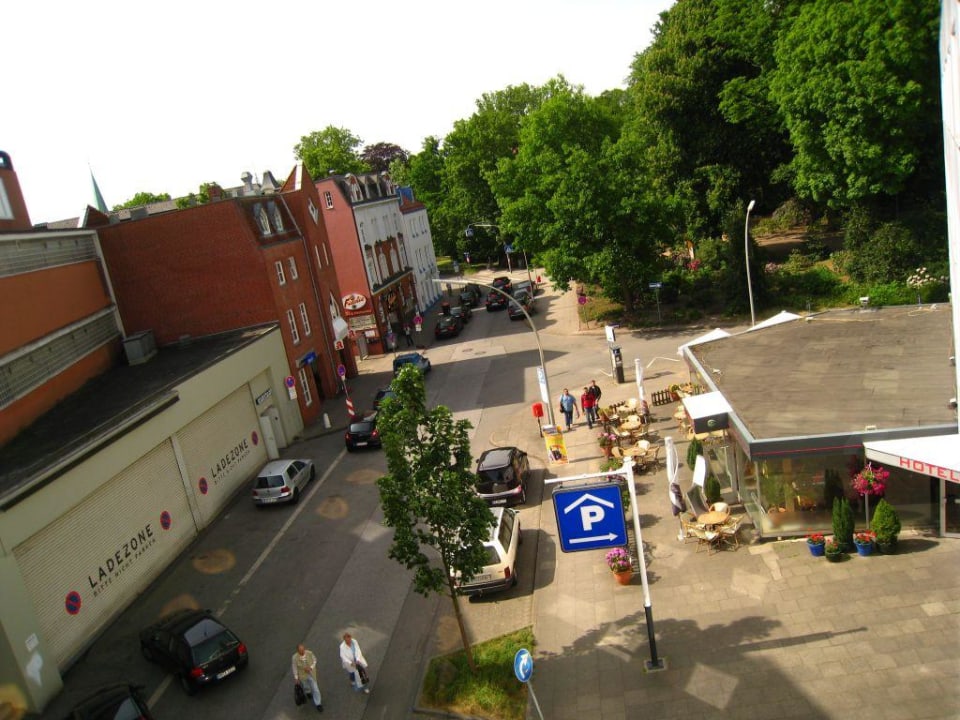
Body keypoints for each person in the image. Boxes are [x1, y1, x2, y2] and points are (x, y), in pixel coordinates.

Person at [292, 643, 324, 712]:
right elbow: (294, 667)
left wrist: (311, 668)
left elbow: (315, 660)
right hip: (303, 675)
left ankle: (318, 703)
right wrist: (296, 677)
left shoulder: (309, 653)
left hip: (311, 674)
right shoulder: (294, 658)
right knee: (306, 685)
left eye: (303, 649)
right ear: (298, 651)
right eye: (301, 650)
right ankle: (308, 692)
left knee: (315, 689)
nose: (303, 651)